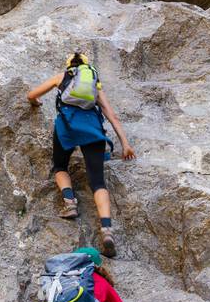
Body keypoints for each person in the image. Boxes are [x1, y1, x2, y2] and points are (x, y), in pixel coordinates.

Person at [27, 52, 134, 257]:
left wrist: (36, 103)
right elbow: (112, 116)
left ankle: (69, 202)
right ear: (88, 69)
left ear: (70, 66)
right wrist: (125, 144)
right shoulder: (95, 84)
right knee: (98, 182)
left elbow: (32, 95)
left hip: (67, 126)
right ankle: (106, 230)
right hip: (92, 129)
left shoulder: (63, 77)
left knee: (60, 166)